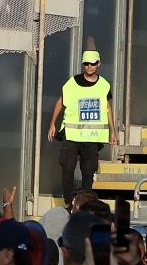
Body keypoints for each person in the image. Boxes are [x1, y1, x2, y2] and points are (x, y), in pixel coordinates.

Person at [49, 49, 114, 204]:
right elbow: (61, 101)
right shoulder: (72, 82)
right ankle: (68, 202)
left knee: (88, 171)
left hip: (91, 136)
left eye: (92, 64)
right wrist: (52, 123)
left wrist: (113, 131)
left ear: (99, 64)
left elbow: (107, 107)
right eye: (86, 63)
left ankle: (85, 202)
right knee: (67, 168)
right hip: (71, 134)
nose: (89, 67)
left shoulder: (104, 85)